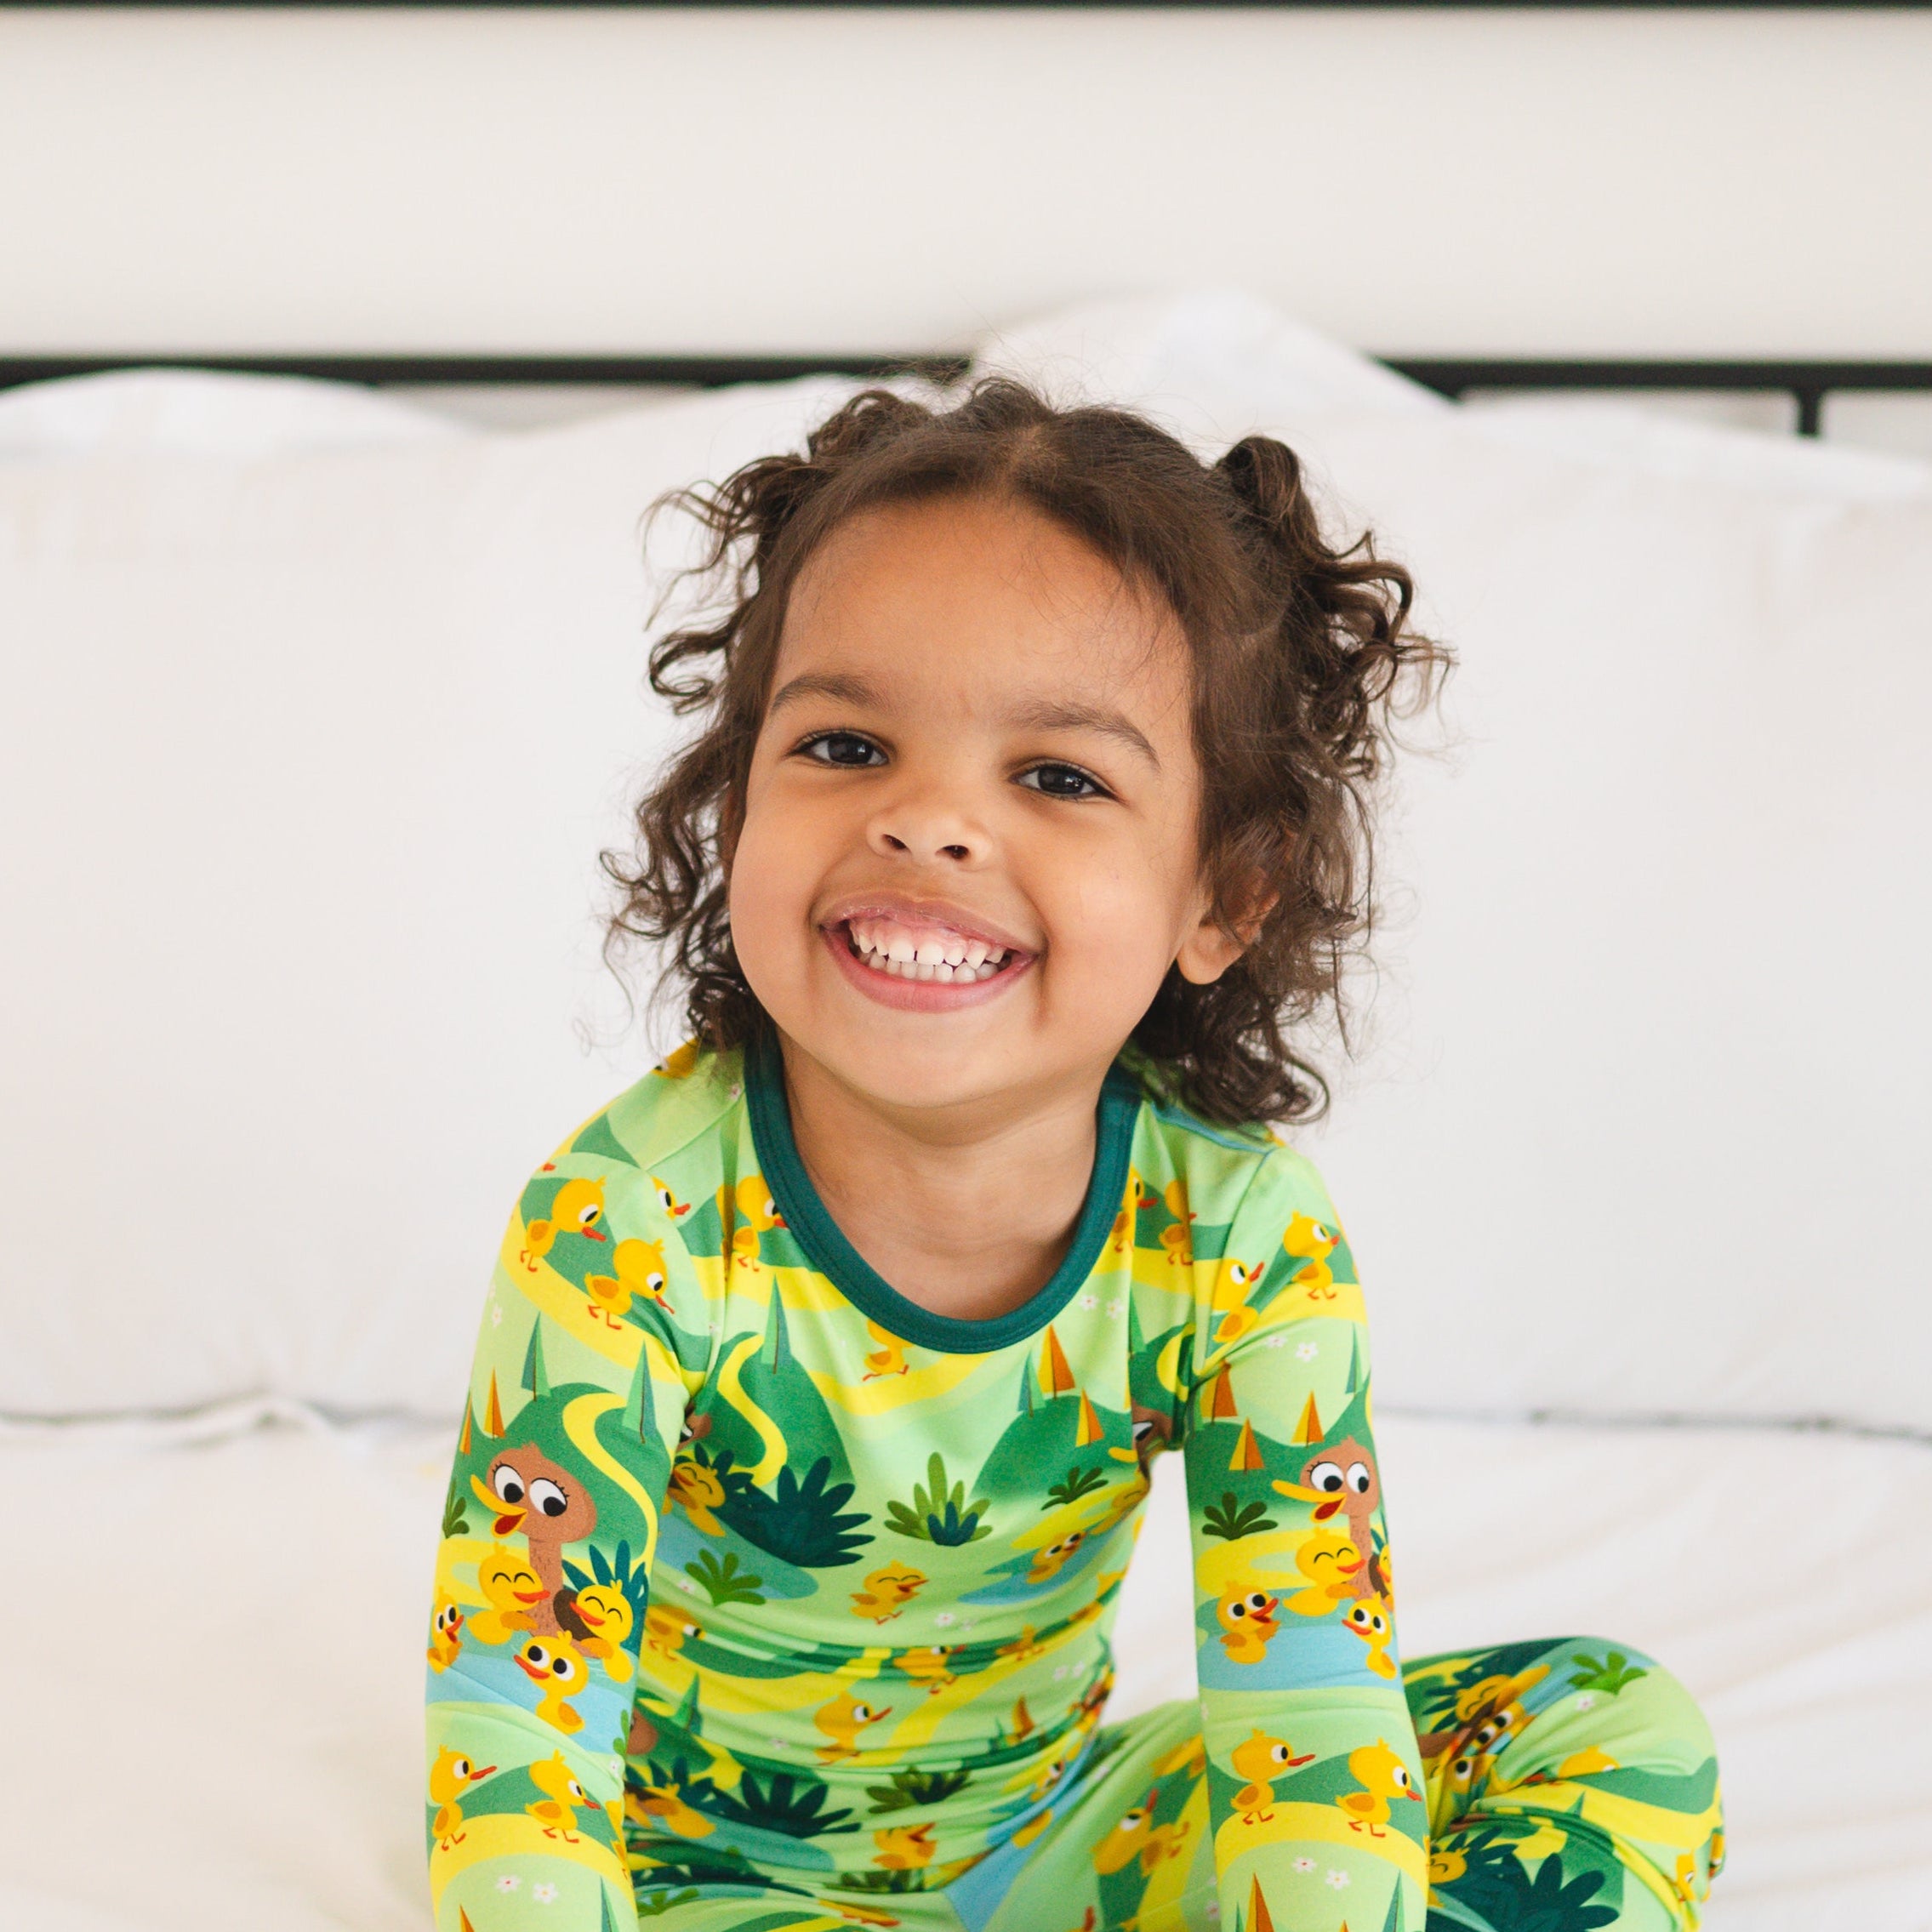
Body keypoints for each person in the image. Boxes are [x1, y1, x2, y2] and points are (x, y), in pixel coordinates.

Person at [422, 379, 1724, 1932]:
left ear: (1225, 897)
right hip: (710, 1887)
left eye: (1058, 777)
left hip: (1057, 1840)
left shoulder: (1240, 1239)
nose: (928, 824)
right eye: (844, 744)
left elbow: (1310, 1712)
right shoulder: (622, 1223)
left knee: (1612, 1721)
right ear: (733, 802)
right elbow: (513, 1735)